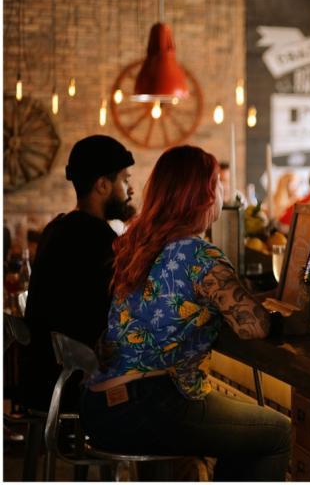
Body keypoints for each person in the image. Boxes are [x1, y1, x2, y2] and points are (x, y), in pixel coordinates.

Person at [80, 145, 290, 481]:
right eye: (219, 184)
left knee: (237, 433)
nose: (223, 191)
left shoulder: (136, 244)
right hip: (150, 405)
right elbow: (254, 327)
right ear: (206, 194)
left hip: (100, 407)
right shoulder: (200, 254)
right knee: (277, 432)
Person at [20, 135, 136, 411]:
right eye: (125, 180)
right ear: (102, 185)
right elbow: (122, 308)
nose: (130, 189)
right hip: (73, 385)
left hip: (42, 379)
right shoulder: (96, 238)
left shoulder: (57, 228)